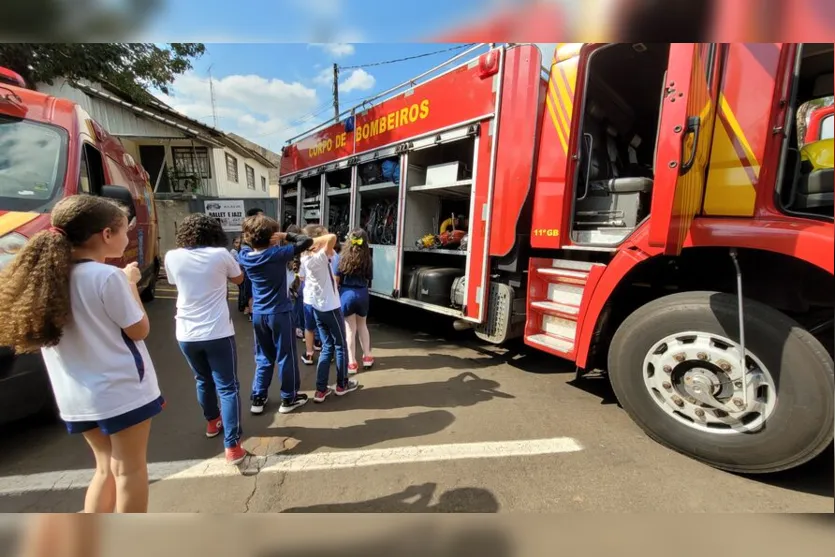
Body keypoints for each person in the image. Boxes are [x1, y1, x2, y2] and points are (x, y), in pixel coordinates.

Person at [0, 194, 162, 513]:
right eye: (123, 231)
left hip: (76, 396)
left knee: (105, 470)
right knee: (129, 470)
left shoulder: (47, 279)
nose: (128, 237)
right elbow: (138, 329)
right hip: (121, 391)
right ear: (105, 235)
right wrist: (131, 284)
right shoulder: (108, 277)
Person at [164, 214, 247, 465]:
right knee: (228, 387)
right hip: (218, 332)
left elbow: (172, 281)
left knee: (202, 379)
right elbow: (239, 279)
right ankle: (232, 446)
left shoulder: (172, 256)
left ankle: (212, 423)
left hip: (186, 332)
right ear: (214, 233)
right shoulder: (221, 255)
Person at [237, 214, 329, 415]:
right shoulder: (277, 255)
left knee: (263, 356)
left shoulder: (244, 256)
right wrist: (285, 235)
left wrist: (262, 237)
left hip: (259, 314)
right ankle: (289, 397)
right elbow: (306, 241)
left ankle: (258, 397)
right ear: (271, 237)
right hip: (280, 312)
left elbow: (247, 244)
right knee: (285, 356)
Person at [300, 224, 359, 403]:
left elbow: (331, 246)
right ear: (316, 241)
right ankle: (342, 384)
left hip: (318, 307)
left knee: (327, 347)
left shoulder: (306, 257)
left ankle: (320, 389)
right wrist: (318, 240)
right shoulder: (318, 257)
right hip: (330, 307)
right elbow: (332, 238)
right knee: (340, 345)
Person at [336, 228, 375, 374]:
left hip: (346, 294)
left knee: (350, 330)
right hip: (362, 293)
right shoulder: (368, 258)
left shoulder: (342, 257)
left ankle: (352, 363)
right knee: (363, 326)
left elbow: (337, 277)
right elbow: (369, 278)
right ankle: (367, 357)